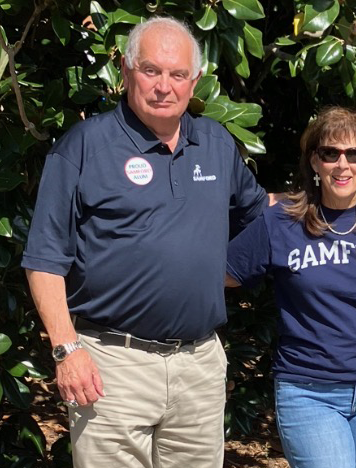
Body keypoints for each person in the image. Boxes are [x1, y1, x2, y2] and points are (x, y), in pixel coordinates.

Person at [22, 17, 269, 467]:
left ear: (194, 82)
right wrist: (65, 349)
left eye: (177, 75)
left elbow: (261, 214)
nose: (164, 87)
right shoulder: (83, 147)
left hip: (199, 366)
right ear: (126, 71)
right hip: (111, 365)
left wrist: (355, 196)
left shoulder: (215, 143)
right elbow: (43, 259)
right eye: (151, 70)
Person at [225, 107, 356, 468]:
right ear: (314, 161)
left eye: (355, 154)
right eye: (331, 153)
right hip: (309, 392)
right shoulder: (281, 222)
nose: (343, 165)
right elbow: (222, 274)